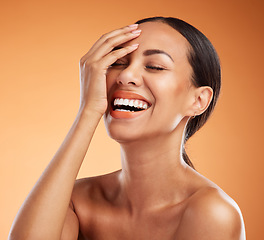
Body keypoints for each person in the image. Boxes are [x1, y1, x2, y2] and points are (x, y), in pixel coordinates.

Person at [9, 17, 246, 240]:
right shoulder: (75, 201)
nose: (125, 75)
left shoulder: (211, 212)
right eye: (118, 63)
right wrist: (88, 111)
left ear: (198, 101)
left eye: (154, 66)